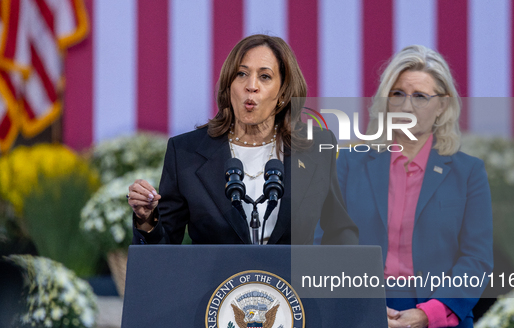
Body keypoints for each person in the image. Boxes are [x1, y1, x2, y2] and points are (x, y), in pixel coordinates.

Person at [335, 45, 493, 328]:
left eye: (420, 96)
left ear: (443, 106)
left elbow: (477, 260)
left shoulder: (468, 173)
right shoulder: (348, 164)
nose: (407, 106)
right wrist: (367, 307)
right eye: (398, 94)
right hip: (356, 326)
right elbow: (326, 245)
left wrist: (429, 314)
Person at [127, 34, 358, 246]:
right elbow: (163, 251)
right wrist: (147, 219)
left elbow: (339, 229)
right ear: (229, 86)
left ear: (283, 93)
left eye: (265, 76)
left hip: (292, 290)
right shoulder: (185, 152)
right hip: (215, 289)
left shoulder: (315, 147)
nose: (251, 86)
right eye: (241, 74)